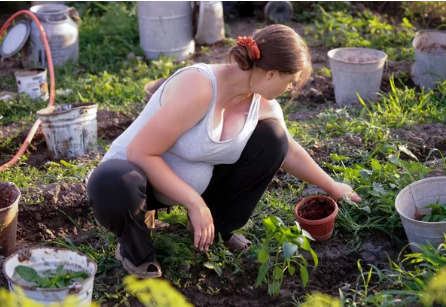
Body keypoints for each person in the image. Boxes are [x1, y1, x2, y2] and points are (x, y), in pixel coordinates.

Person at [87, 24, 361, 278]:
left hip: (181, 187)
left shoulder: (261, 103)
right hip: (135, 184)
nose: (290, 89)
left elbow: (289, 152)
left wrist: (334, 186)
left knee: (273, 139)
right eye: (291, 81)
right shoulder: (200, 87)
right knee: (113, 182)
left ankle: (217, 229)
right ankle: (135, 248)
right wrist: (195, 203)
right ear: (271, 73)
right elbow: (141, 153)